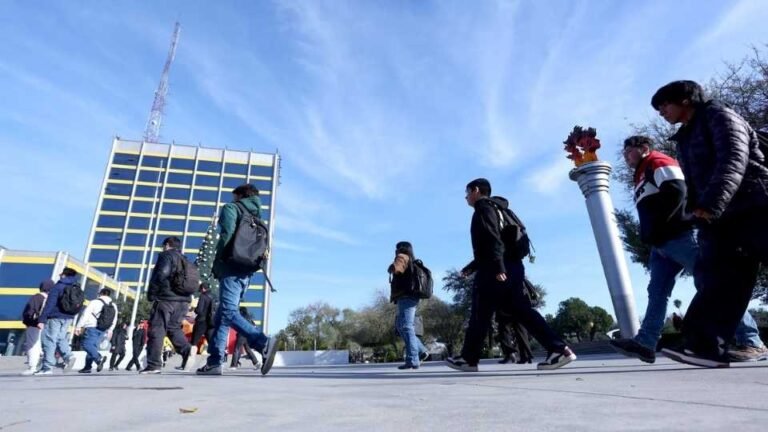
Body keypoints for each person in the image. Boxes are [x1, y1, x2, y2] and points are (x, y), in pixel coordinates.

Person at [610, 136, 766, 363]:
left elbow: (678, 190)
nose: (625, 157)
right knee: (657, 293)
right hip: (661, 244)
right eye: (624, 154)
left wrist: (675, 224)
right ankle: (646, 342)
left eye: (628, 152)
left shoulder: (657, 161)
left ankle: (752, 341)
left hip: (679, 237)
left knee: (715, 286)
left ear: (644, 149)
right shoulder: (641, 173)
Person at [650, 80, 768, 367]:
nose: (662, 112)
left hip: (754, 206)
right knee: (720, 280)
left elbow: (733, 160)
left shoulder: (720, 116)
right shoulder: (686, 136)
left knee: (724, 277)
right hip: (720, 219)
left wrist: (711, 204)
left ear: (686, 100)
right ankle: (704, 347)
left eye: (665, 104)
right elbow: (694, 181)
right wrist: (695, 212)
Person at [446, 178, 576, 372]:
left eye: (467, 193)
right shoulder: (501, 209)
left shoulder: (483, 207)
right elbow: (499, 242)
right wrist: (472, 267)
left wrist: (498, 268)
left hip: (495, 269)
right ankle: (559, 349)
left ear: (476, 190)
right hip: (514, 267)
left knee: (480, 313)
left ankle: (468, 358)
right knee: (523, 311)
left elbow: (493, 239)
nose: (466, 197)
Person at [197, 184, 278, 376]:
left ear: (239, 195)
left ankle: (262, 342)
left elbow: (227, 235)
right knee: (221, 318)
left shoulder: (232, 208)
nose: (232, 199)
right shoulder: (257, 216)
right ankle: (215, 362)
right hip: (246, 271)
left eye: (234, 196)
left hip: (231, 267)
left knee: (227, 311)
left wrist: (219, 262)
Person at [141, 237, 196, 374]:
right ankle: (187, 350)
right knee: (173, 328)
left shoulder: (167, 256)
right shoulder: (185, 260)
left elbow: (162, 274)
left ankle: (153, 365)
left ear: (167, 245)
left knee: (157, 329)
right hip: (183, 301)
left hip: (166, 299)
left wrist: (152, 293)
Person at [388, 241, 429, 370]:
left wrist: (391, 267)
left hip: (406, 296)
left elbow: (396, 268)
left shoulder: (402, 257)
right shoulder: (410, 259)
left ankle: (413, 360)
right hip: (410, 297)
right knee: (401, 326)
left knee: (406, 327)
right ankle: (421, 351)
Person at [35, 268, 80, 375]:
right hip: (69, 317)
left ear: (64, 275)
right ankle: (69, 356)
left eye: (61, 273)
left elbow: (49, 304)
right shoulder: (76, 287)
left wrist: (42, 319)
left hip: (55, 317)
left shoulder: (58, 287)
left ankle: (47, 368)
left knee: (49, 340)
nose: (60, 275)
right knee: (60, 338)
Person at [75, 288, 118, 373]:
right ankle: (87, 367)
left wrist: (78, 326)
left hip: (92, 326)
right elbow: (114, 318)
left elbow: (85, 314)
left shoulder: (94, 302)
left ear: (100, 293)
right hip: (103, 328)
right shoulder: (113, 305)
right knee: (93, 347)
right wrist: (110, 330)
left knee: (86, 344)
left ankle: (99, 358)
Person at [20, 279, 53, 375]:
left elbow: (30, 310)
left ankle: (32, 367)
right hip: (47, 325)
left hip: (34, 324)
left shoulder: (37, 297)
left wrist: (27, 321)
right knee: (40, 345)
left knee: (32, 345)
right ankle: (42, 363)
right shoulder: (52, 299)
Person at [190, 283, 215, 352]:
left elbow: (199, 310)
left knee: (194, 341)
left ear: (203, 288)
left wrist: (195, 309)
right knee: (211, 341)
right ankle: (216, 356)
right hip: (211, 321)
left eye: (200, 289)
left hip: (201, 321)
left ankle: (190, 355)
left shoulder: (203, 296)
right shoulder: (213, 296)